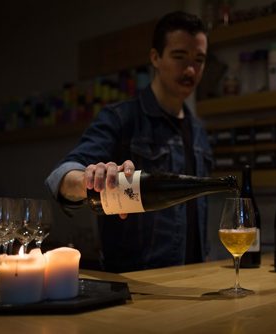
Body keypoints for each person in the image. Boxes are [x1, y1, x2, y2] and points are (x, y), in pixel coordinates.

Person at [45, 11, 212, 273]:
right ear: (155, 57)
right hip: (136, 284)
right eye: (179, 57)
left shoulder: (199, 131)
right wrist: (90, 180)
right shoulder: (122, 118)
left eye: (199, 60)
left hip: (194, 279)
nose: (190, 69)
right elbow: (60, 177)